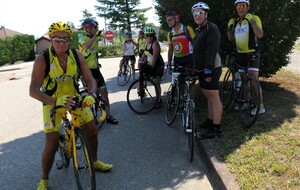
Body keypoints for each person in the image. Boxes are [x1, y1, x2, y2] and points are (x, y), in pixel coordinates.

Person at [29, 21, 113, 190]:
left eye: (66, 39)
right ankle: (44, 180)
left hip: (74, 99)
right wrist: (54, 101)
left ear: (70, 40)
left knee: (92, 130)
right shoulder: (42, 59)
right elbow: (33, 90)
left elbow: (90, 80)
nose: (62, 43)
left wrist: (90, 95)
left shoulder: (76, 55)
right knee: (52, 143)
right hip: (51, 102)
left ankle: (94, 161)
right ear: (51, 39)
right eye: (57, 39)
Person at [227, 0, 265, 116]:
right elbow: (230, 38)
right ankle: (247, 102)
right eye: (238, 6)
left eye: (243, 6)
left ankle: (260, 106)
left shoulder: (254, 17)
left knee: (254, 82)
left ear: (248, 7)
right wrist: (230, 27)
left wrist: (252, 21)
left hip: (252, 53)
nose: (240, 8)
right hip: (240, 55)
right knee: (245, 81)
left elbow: (260, 34)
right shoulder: (237, 21)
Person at [191, 2, 223, 139]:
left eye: (200, 13)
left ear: (206, 14)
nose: (197, 16)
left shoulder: (211, 28)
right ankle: (210, 121)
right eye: (195, 14)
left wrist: (208, 70)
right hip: (202, 70)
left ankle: (216, 129)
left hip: (211, 68)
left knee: (214, 97)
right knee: (208, 96)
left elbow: (212, 50)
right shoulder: (199, 30)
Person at [79, 18, 118, 124]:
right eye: (95, 27)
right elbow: (86, 46)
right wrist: (95, 36)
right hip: (86, 72)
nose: (96, 29)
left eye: (96, 27)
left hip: (96, 70)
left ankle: (109, 115)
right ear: (88, 28)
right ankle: (90, 117)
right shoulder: (82, 39)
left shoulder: (95, 39)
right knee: (91, 95)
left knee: (104, 93)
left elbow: (92, 53)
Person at [139, 26, 164, 108]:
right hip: (151, 64)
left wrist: (150, 67)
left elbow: (155, 57)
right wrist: (140, 61)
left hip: (157, 66)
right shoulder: (147, 43)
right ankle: (141, 91)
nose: (149, 37)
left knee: (156, 83)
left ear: (153, 36)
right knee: (141, 74)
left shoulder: (155, 44)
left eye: (151, 35)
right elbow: (144, 54)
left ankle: (159, 99)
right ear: (145, 36)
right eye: (147, 35)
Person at [165, 10, 195, 74]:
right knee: (179, 81)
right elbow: (170, 49)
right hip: (177, 59)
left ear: (176, 19)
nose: (168, 22)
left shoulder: (187, 29)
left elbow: (196, 44)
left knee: (188, 79)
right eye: (167, 20)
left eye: (170, 20)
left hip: (188, 58)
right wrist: (169, 63)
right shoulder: (170, 33)